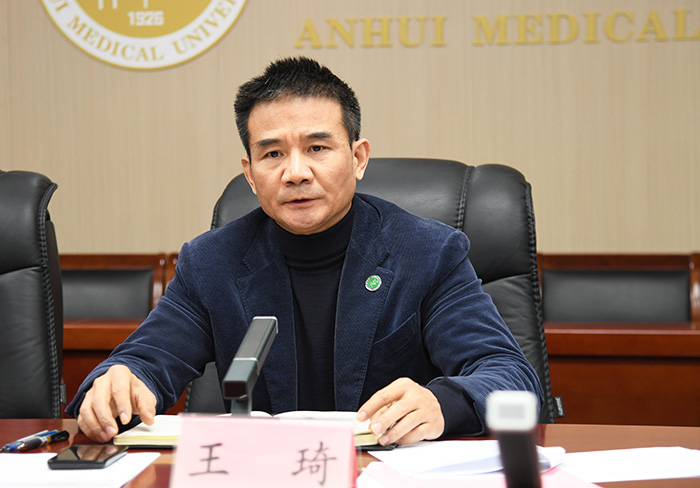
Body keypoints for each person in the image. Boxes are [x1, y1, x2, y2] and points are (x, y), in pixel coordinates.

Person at [67, 57, 543, 446]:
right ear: (250, 174)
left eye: (317, 148)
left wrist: (443, 403)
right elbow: (146, 360)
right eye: (272, 154)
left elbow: (510, 377)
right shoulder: (212, 263)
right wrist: (118, 385)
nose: (295, 172)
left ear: (358, 158)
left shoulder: (428, 253)